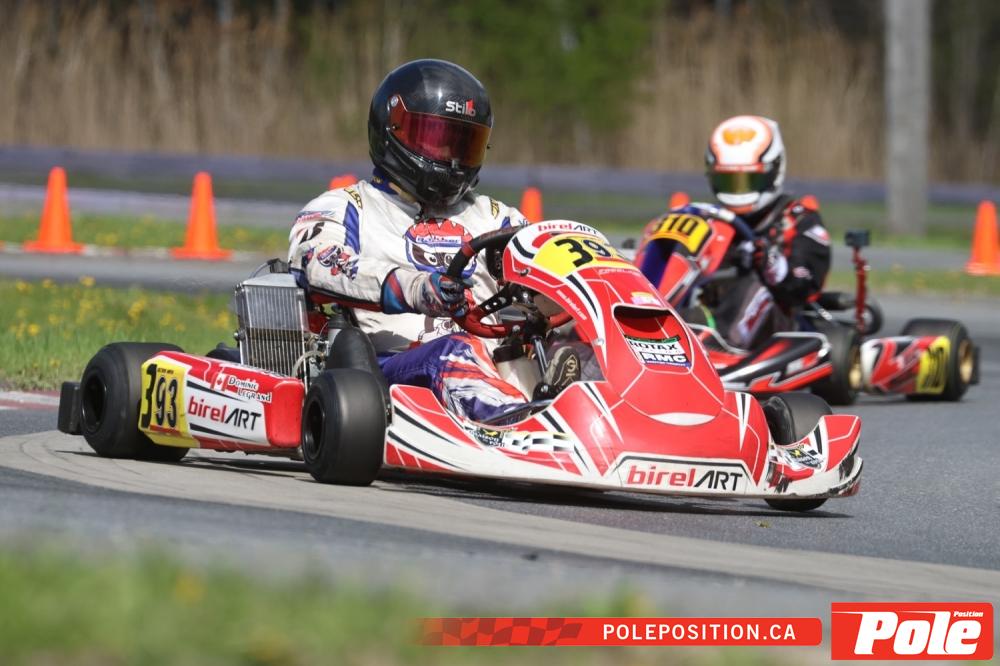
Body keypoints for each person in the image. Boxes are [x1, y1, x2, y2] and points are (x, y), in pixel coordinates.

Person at [287, 59, 578, 423]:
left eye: (463, 145)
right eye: (437, 140)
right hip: (389, 373)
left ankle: (581, 416)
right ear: (393, 130)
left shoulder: (494, 216)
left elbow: (549, 269)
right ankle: (517, 425)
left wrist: (557, 299)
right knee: (455, 351)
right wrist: (414, 287)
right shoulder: (348, 206)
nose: (452, 160)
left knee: (583, 345)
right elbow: (317, 261)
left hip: (495, 363)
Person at [667, 115, 832, 349]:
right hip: (703, 310)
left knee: (755, 282)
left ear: (773, 170)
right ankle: (647, 331)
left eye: (749, 180)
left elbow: (806, 285)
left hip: (776, 322)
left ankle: (716, 344)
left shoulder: (798, 219)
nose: (738, 191)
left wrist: (772, 264)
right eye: (729, 182)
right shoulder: (707, 219)